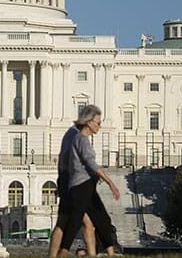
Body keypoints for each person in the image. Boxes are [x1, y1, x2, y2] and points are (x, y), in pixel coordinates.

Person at [47, 105, 121, 258]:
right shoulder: (76, 136)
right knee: (66, 221)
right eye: (98, 122)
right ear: (88, 121)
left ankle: (90, 254)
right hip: (72, 181)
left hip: (73, 180)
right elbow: (72, 161)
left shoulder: (74, 134)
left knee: (87, 223)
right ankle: (58, 254)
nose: (99, 126)